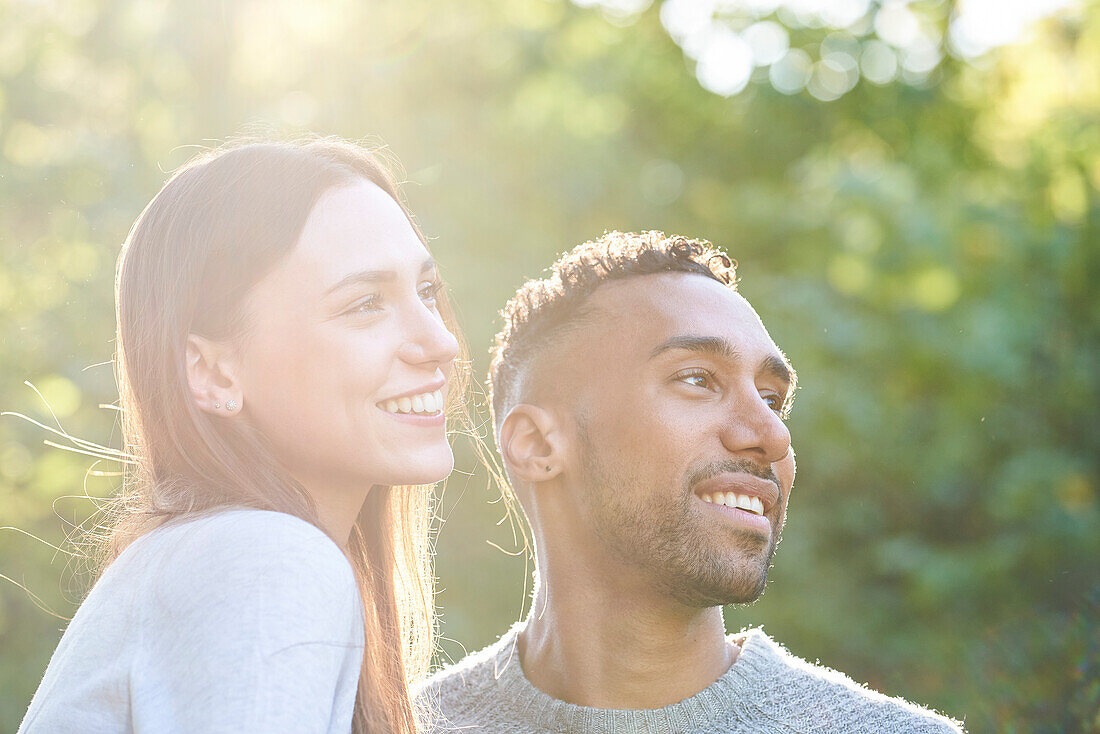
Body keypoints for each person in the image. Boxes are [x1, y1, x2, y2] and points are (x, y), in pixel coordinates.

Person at [417, 231, 965, 733]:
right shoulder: (384, 724)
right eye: (698, 380)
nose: (772, 436)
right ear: (538, 445)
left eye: (773, 399)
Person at [18, 137, 463, 734]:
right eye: (365, 304)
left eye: (427, 291)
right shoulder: (261, 557)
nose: (440, 342)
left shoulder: (221, 555)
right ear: (213, 372)